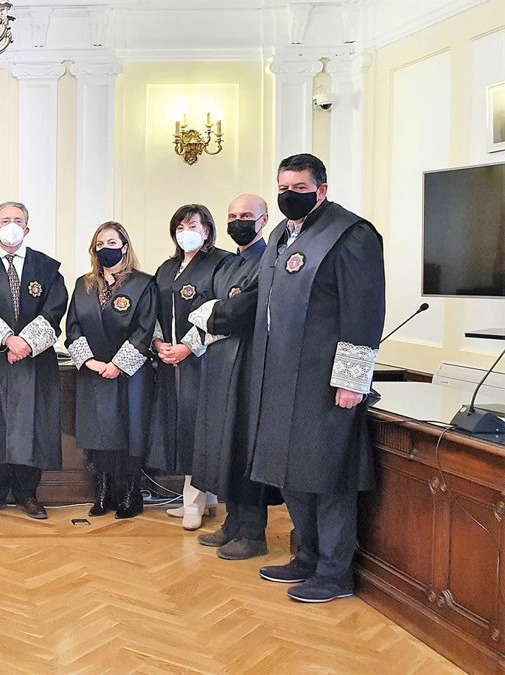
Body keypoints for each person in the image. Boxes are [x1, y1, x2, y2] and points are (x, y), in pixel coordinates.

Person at [250, 154, 385, 603]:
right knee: (290, 472)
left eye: (299, 188)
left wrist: (352, 380)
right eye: (283, 188)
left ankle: (334, 572)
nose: (289, 195)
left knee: (328, 474)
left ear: (321, 190)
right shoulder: (280, 235)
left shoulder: (351, 235)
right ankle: (306, 556)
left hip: (325, 381)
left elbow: (364, 312)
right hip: (279, 379)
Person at [185, 194, 281, 560]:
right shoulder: (227, 263)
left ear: (263, 219)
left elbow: (238, 312)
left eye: (246, 215)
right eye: (232, 215)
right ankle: (233, 523)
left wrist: (216, 314)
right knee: (223, 447)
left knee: (245, 447)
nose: (238, 221)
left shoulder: (269, 261)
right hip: (220, 365)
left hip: (249, 367)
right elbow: (204, 306)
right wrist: (214, 313)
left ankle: (253, 533)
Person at [0, 201, 68, 520]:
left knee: (32, 424)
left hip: (34, 360)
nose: (12, 225)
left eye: (18, 220)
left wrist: (25, 342)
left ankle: (28, 493)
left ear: (27, 227)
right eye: (5, 220)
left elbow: (54, 308)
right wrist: (8, 340)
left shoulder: (46, 267)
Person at [148, 204, 232, 531]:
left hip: (204, 359)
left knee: (199, 429)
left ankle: (194, 502)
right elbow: (153, 312)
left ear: (207, 230)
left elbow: (222, 313)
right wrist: (159, 344)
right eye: (180, 227)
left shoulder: (222, 264)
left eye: (193, 225)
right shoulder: (167, 268)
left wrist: (188, 347)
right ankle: (203, 500)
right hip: (171, 361)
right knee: (180, 427)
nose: (186, 232)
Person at [65, 222, 156, 519]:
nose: (106, 248)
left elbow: (144, 329)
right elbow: (73, 327)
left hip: (130, 373)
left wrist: (118, 364)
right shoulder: (83, 285)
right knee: (99, 433)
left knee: (130, 431)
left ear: (125, 246)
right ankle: (103, 492)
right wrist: (90, 362)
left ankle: (131, 494)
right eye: (100, 243)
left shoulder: (143, 284)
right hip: (94, 371)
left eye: (112, 242)